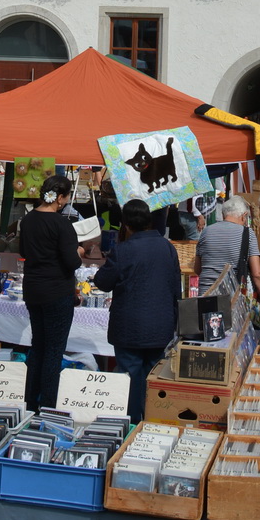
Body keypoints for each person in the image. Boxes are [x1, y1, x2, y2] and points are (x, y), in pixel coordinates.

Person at [94, 198, 181, 421]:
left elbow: (103, 282)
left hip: (129, 326)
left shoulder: (123, 250)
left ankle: (132, 424)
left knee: (131, 378)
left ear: (127, 224)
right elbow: (175, 288)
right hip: (160, 324)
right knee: (155, 376)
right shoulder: (167, 247)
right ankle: (154, 420)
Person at [18, 176, 83, 411]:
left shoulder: (28, 220)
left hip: (34, 289)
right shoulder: (61, 224)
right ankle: (47, 403)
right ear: (61, 198)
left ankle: (30, 400)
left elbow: (24, 251)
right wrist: (79, 251)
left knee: (38, 346)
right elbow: (72, 262)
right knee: (54, 350)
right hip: (57, 291)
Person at [196, 196, 260, 312]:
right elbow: (257, 274)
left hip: (205, 296)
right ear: (244, 216)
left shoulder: (206, 232)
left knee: (208, 329)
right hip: (231, 300)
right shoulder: (247, 234)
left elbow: (198, 269)